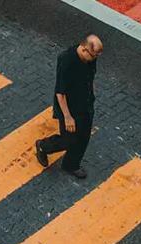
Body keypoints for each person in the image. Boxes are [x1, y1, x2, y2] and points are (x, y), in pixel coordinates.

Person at [35, 34, 103, 179]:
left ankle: (71, 165)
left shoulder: (90, 58)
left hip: (85, 104)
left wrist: (92, 95)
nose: (95, 59)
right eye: (93, 55)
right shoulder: (66, 60)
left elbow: (90, 77)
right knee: (68, 140)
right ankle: (43, 146)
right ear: (84, 49)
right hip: (69, 108)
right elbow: (60, 93)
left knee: (83, 137)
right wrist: (67, 117)